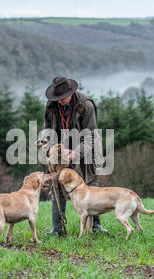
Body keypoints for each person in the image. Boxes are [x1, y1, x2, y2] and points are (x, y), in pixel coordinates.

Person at [41, 76, 110, 236]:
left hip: (86, 147)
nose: (59, 101)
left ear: (71, 93)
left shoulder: (86, 106)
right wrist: (46, 141)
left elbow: (91, 136)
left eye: (62, 98)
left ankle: (95, 226)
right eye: (56, 98)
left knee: (90, 184)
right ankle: (57, 229)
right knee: (57, 184)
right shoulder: (51, 105)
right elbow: (47, 128)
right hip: (62, 149)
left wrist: (76, 153)